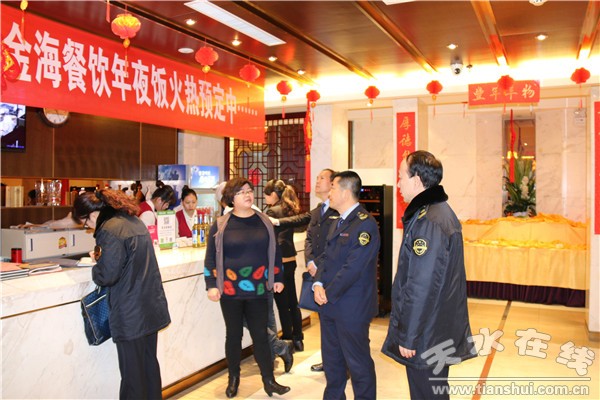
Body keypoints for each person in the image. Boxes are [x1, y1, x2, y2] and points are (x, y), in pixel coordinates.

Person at [381, 151, 476, 400]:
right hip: (433, 328)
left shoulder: (430, 221)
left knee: (427, 393)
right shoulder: (433, 213)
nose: (398, 183)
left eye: (401, 176)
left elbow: (421, 285)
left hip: (427, 333)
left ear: (416, 180)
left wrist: (408, 336)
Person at [72, 189, 171, 400]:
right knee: (149, 367)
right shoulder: (133, 221)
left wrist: (97, 264)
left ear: (92, 214)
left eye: (85, 223)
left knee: (132, 377)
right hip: (150, 307)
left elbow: (107, 275)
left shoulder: (109, 230)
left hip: (130, 312)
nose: (88, 227)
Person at [204, 177, 291, 398]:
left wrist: (278, 277)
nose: (247, 194)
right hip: (229, 290)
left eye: (249, 190)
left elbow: (276, 253)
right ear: (231, 198)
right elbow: (210, 257)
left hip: (259, 289)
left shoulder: (265, 221)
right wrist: (211, 284)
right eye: (241, 192)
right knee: (233, 335)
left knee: (260, 335)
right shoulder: (221, 224)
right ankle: (233, 379)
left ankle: (269, 381)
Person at [313, 171, 380, 400]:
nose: (329, 192)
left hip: (352, 307)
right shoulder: (337, 221)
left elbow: (353, 268)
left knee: (358, 363)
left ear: (345, 192)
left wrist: (327, 292)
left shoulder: (365, 225)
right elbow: (325, 257)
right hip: (329, 304)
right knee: (332, 362)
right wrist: (318, 283)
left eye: (332, 187)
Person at [275, 168, 337, 372]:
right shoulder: (319, 209)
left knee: (336, 320)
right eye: (317, 178)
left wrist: (318, 262)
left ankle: (339, 363)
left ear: (333, 183)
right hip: (317, 270)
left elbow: (334, 244)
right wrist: (310, 261)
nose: (317, 181)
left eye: (321, 178)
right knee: (324, 319)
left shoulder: (339, 211)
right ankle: (328, 360)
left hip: (332, 271)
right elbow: (307, 232)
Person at [263, 179, 305, 352]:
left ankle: (287, 337)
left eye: (266, 195)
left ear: (273, 194)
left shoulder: (272, 211)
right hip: (290, 258)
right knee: (292, 300)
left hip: (278, 261)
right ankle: (298, 338)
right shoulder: (289, 208)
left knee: (282, 303)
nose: (265, 199)